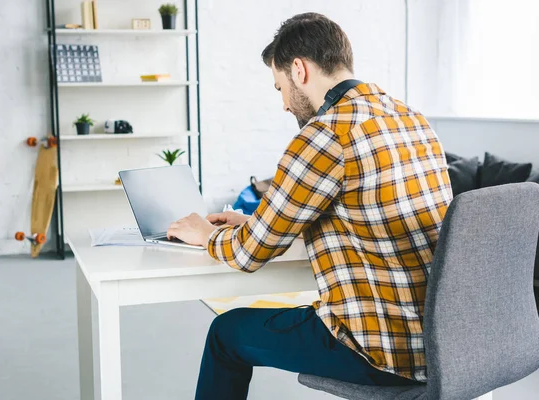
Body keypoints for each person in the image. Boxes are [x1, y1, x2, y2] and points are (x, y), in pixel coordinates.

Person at [166, 12, 453, 400]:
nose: (284, 104)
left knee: (225, 334)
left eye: (279, 87)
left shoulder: (325, 134)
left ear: (299, 69)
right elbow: (360, 213)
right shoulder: (410, 118)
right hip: (446, 343)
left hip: (380, 351)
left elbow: (249, 254)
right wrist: (253, 219)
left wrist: (208, 234)